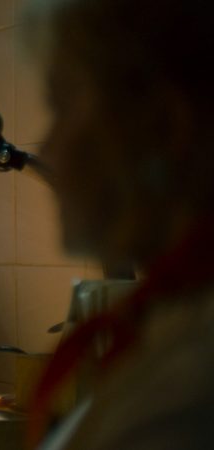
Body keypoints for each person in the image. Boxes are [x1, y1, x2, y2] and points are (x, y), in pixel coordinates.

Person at [20, 0, 214, 449]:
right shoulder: (173, 323)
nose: (48, 150)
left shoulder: (183, 397)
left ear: (162, 126)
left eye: (63, 107)